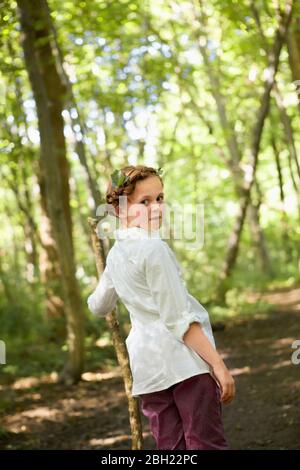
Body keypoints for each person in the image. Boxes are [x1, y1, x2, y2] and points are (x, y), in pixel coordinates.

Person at [87, 165, 235, 450]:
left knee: (171, 447)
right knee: (205, 443)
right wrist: (218, 364)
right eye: (144, 201)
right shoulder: (154, 249)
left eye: (160, 198)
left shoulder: (116, 255)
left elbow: (98, 305)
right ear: (119, 210)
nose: (156, 207)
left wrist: (112, 277)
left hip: (148, 369)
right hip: (186, 364)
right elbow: (179, 320)